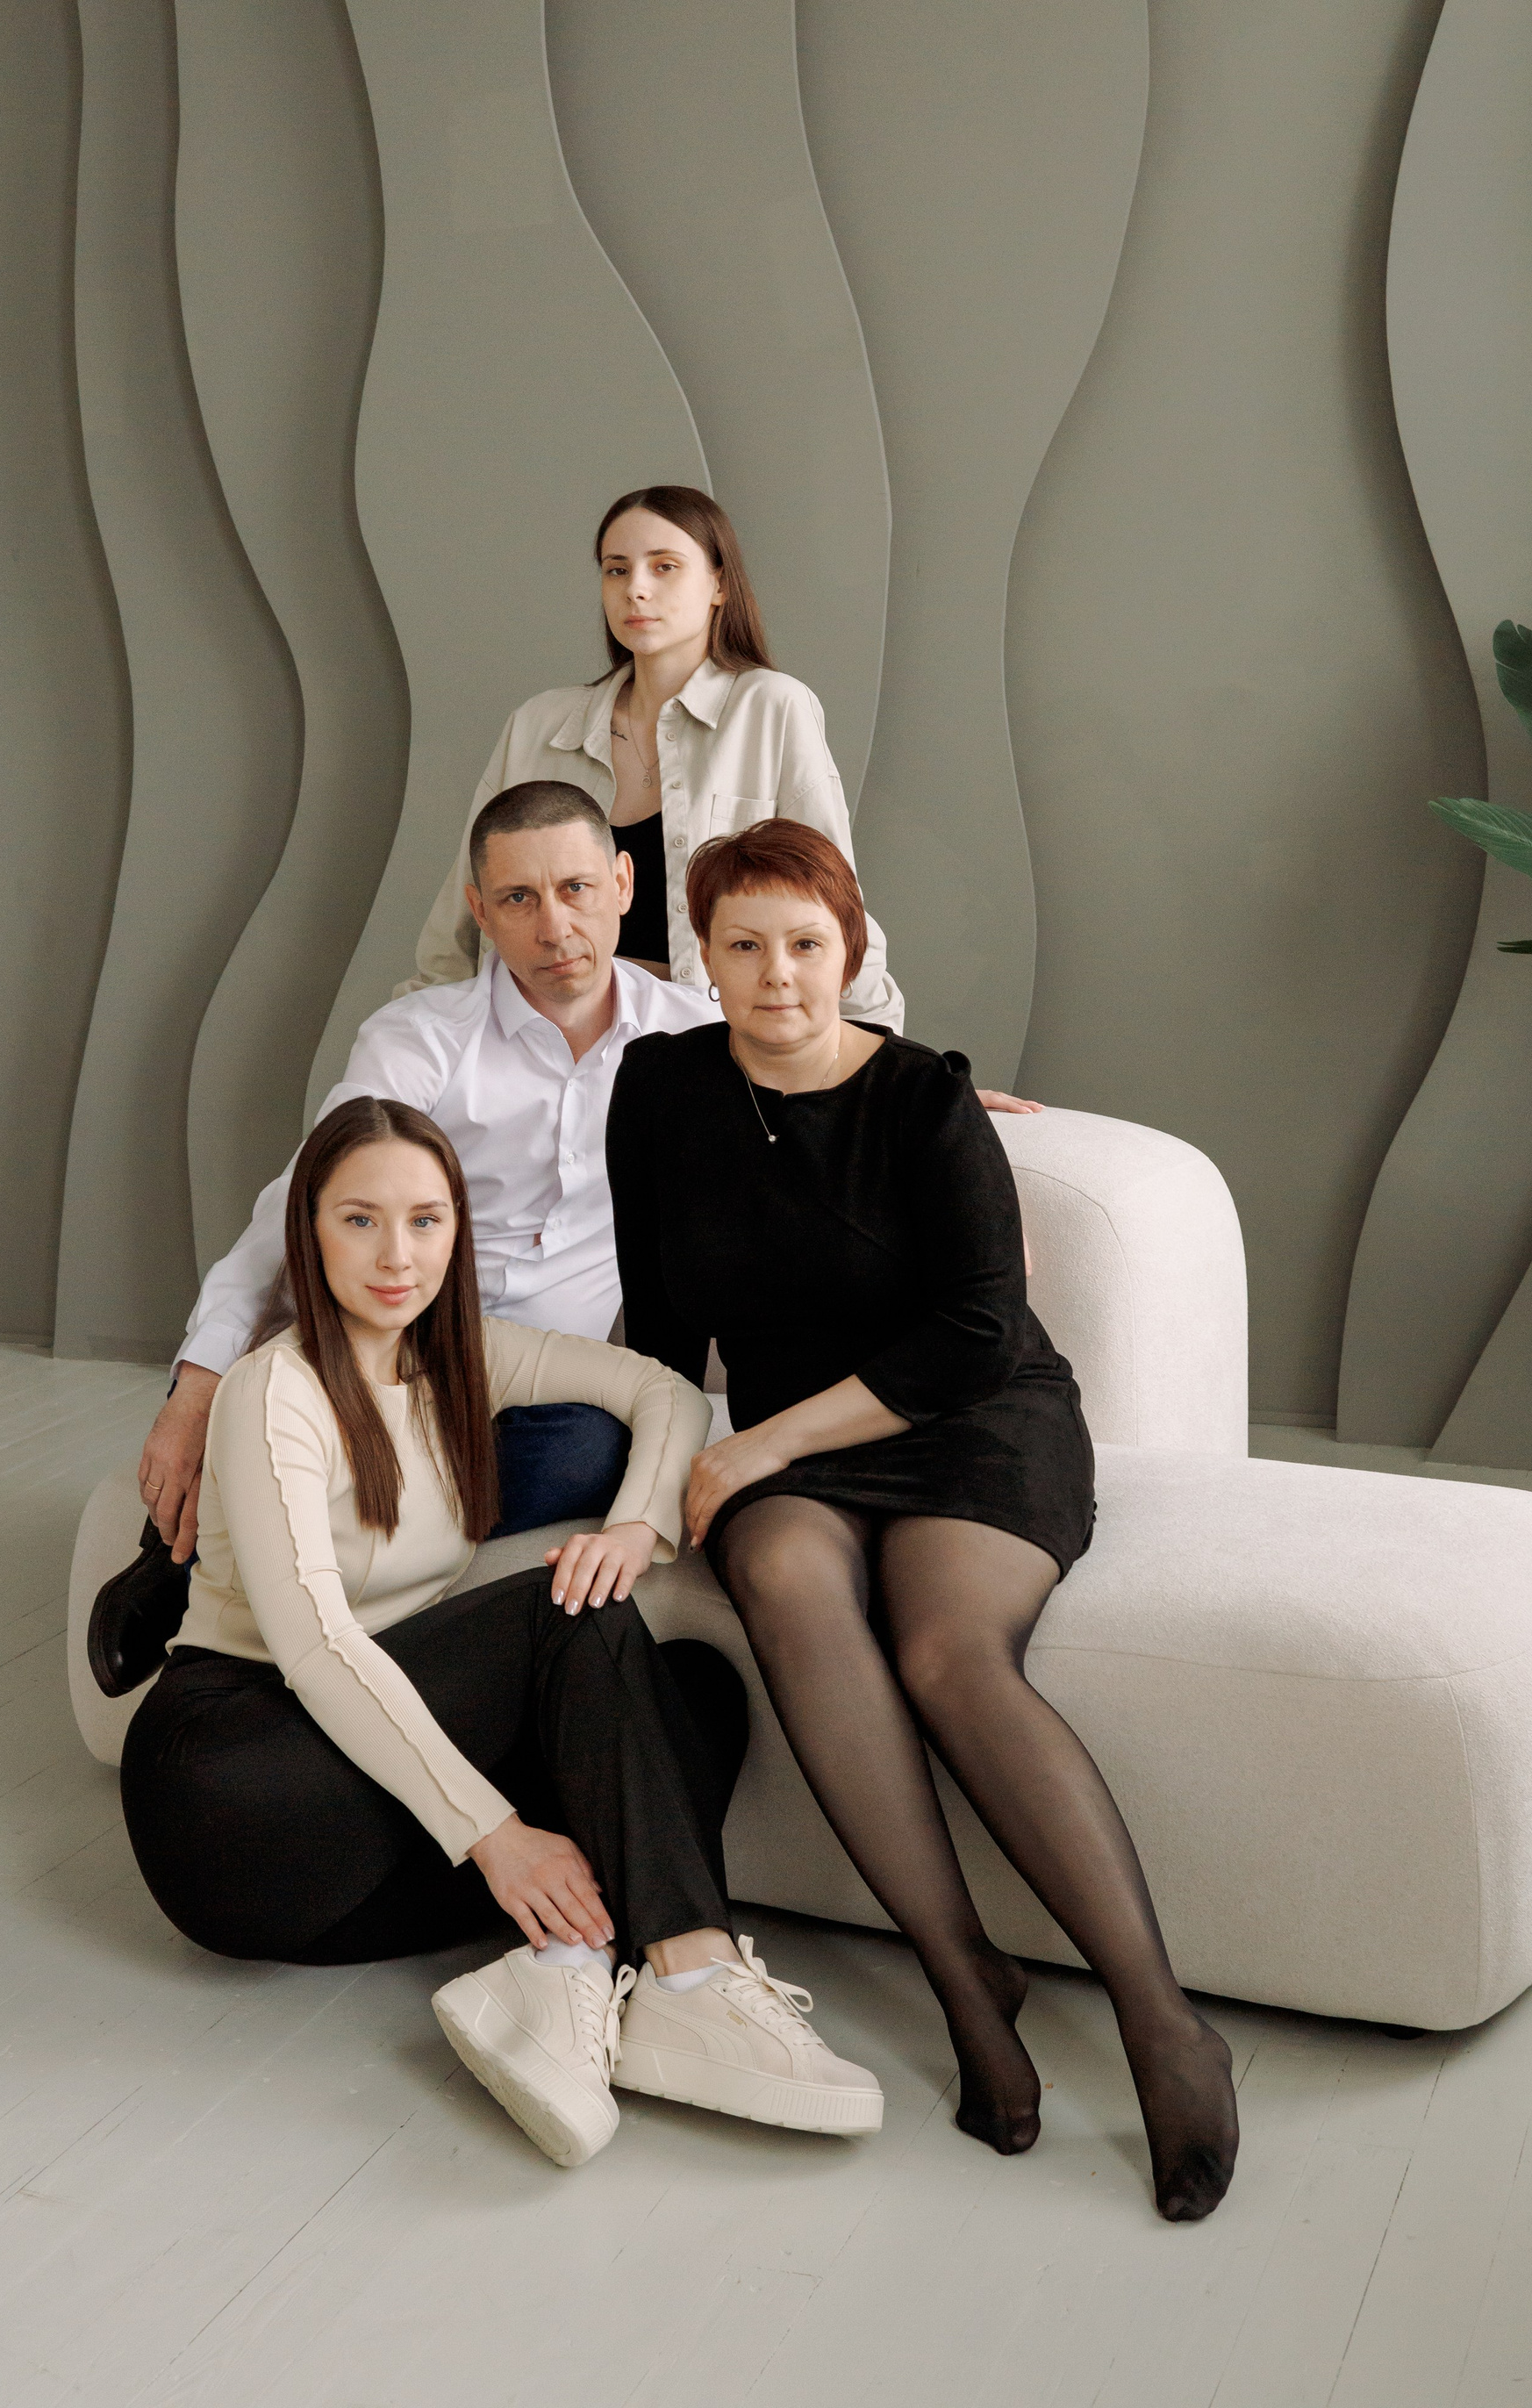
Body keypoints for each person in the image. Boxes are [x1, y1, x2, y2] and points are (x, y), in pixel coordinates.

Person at [605, 819, 1240, 2223]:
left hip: (973, 1419)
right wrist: (654, 1486)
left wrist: (761, 1440)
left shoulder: (924, 1099)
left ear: (852, 947)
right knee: (781, 1573)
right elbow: (658, 1332)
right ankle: (966, 1980)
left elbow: (979, 1329)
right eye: (745, 945)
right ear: (702, 957)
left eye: (806, 943)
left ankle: (1162, 2023)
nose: (778, 974)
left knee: (949, 1654)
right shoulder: (658, 1091)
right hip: (796, 1456)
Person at [120, 1092, 884, 2169]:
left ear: (456, 1232)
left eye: (425, 1220)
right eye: (360, 1220)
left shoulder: (466, 1358)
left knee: (697, 1695)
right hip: (236, 1795)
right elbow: (317, 1648)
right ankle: (691, 1975)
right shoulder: (271, 1391)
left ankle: (563, 1977)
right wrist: (495, 1831)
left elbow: (667, 1393)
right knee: (560, 1607)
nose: (398, 1255)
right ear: (310, 1232)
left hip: (355, 1853)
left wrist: (636, 1525)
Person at [90, 781, 719, 1696]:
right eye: (518, 898)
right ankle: (189, 1562)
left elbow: (818, 1073)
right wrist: (197, 1387)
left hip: (536, 1381)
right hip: (392, 1348)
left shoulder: (695, 1036)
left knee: (591, 1449)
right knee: (287, 1395)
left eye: (577, 889)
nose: (554, 927)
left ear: (624, 883)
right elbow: (303, 1199)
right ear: (479, 911)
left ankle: (281, 1554)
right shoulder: (423, 1037)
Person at [404, 483, 903, 1018]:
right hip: (535, 1038)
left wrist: (885, 1053)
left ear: (719, 584)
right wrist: (418, 1035)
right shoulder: (538, 725)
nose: (636, 589)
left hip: (703, 1041)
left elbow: (833, 907)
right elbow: (458, 925)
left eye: (664, 567)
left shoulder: (771, 708)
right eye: (617, 570)